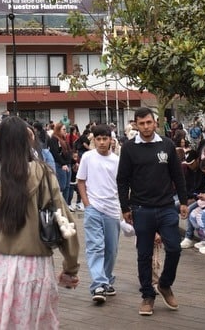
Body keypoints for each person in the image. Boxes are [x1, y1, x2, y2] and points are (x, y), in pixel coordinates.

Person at [0, 116, 80, 329]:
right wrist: (70, 268)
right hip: (37, 266)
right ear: (27, 141)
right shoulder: (43, 174)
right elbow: (64, 220)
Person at [116, 106, 188, 317]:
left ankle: (165, 284)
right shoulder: (129, 148)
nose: (146, 127)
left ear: (155, 122)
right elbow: (122, 180)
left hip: (167, 207)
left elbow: (177, 175)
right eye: (141, 123)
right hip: (141, 208)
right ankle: (148, 295)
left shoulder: (167, 144)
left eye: (149, 122)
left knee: (174, 248)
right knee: (144, 255)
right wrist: (125, 207)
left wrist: (183, 201)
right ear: (135, 125)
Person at [75, 124, 122, 304]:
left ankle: (107, 279)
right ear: (94, 140)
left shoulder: (117, 161)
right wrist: (87, 204)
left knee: (111, 249)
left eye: (105, 139)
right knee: (95, 247)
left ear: (111, 140)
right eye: (98, 139)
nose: (102, 142)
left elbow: (121, 186)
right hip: (93, 209)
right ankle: (98, 285)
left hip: (111, 209)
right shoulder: (88, 157)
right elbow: (80, 181)